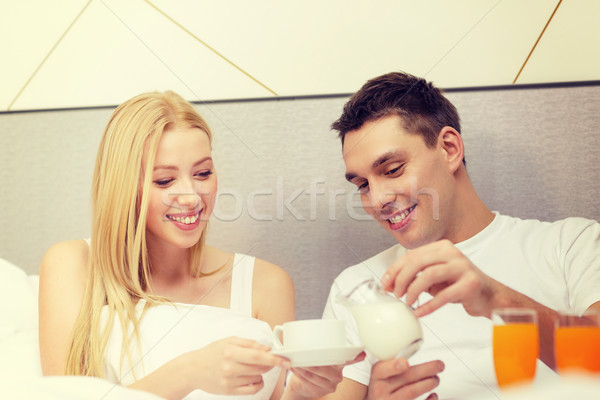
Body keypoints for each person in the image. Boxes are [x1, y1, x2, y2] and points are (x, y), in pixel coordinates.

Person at [38, 91, 363, 400]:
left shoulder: (266, 284)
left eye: (203, 173)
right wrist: (189, 371)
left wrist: (300, 392)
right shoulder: (72, 264)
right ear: (123, 187)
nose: (192, 196)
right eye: (165, 180)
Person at [321, 72, 600, 399]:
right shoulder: (357, 288)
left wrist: (497, 299)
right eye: (363, 185)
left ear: (450, 149)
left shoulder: (570, 246)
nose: (377, 199)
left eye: (393, 169)